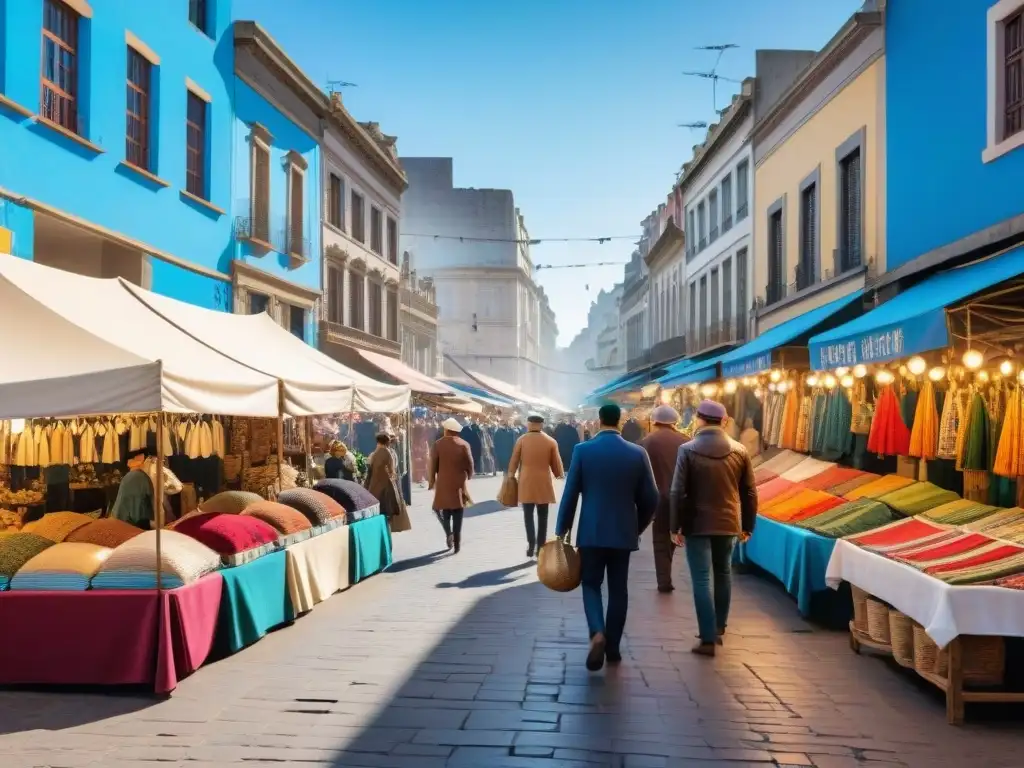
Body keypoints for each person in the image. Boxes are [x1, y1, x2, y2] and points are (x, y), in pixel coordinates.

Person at [555, 403, 659, 671]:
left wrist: (562, 528)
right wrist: (638, 526)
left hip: (590, 532)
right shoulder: (637, 453)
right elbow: (652, 497)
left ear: (600, 420)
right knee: (618, 589)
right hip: (623, 533)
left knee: (590, 584)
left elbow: (571, 493)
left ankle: (597, 632)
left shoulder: (583, 451)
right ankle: (612, 647)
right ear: (621, 421)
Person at [669, 400, 758, 657]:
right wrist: (748, 525)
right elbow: (749, 491)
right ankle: (718, 627)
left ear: (699, 419)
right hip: (729, 523)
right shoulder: (740, 450)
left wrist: (675, 525)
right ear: (724, 421)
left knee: (702, 578)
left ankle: (707, 637)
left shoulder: (687, 450)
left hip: (697, 523)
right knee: (723, 574)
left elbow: (677, 490)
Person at [639, 404, 689, 593]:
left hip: (658, 498)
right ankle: (667, 569)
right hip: (682, 498)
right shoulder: (686, 441)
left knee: (660, 539)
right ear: (674, 422)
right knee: (674, 534)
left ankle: (664, 580)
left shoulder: (646, 442)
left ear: (655, 421)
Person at [507, 413, 564, 558]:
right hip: (544, 482)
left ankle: (531, 544)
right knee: (543, 517)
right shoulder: (550, 441)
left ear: (529, 424)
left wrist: (511, 474)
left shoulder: (522, 440)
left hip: (526, 482)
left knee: (528, 515)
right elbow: (556, 463)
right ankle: (540, 546)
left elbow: (514, 459)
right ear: (541, 425)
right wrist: (559, 474)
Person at [430, 417, 474, 553]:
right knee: (458, 512)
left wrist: (431, 480)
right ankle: (457, 543)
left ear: (447, 430)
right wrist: (469, 474)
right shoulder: (464, 444)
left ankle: (448, 533)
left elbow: (433, 465)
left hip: (443, 482)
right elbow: (470, 463)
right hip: (459, 483)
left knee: (442, 510)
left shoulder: (437, 444)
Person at [365, 433, 412, 533]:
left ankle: (378, 528)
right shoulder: (388, 452)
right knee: (389, 506)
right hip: (385, 483)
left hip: (374, 483)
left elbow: (371, 467)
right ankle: (387, 528)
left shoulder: (375, 453)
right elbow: (392, 470)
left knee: (376, 505)